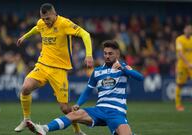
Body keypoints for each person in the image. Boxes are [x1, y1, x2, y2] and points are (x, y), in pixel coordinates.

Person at [26, 40, 144, 135]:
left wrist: (123, 68)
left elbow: (140, 78)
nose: (107, 56)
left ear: (117, 54)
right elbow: (88, 90)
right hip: (99, 110)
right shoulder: (97, 71)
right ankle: (44, 128)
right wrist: (78, 104)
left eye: (110, 53)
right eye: (105, 53)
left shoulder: (123, 68)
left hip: (117, 112)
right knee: (73, 115)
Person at [14, 3, 93, 135]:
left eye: (48, 19)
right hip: (42, 65)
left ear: (54, 14)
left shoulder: (64, 24)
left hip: (59, 70)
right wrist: (25, 36)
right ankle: (26, 119)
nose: (45, 22)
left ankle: (77, 131)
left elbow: (86, 34)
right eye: (43, 19)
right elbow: (36, 28)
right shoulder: (41, 23)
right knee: (25, 88)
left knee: (64, 108)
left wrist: (89, 54)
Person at [175, 24, 192, 111]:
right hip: (182, 66)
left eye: (190, 29)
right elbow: (180, 54)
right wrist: (188, 63)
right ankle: (178, 105)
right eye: (188, 29)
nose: (189, 30)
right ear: (184, 30)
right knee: (180, 84)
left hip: (191, 66)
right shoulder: (179, 39)